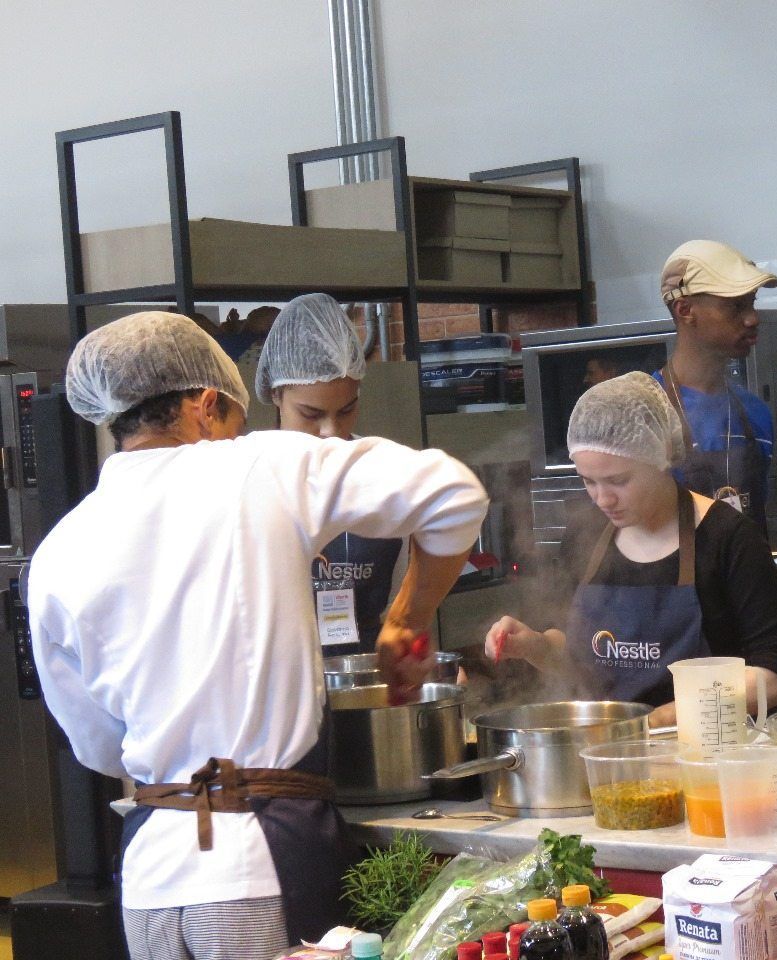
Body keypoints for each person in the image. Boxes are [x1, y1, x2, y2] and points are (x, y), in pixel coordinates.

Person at [28, 312, 488, 959]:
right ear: (207, 405)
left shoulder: (58, 551)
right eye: (237, 421)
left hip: (150, 880)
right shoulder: (260, 466)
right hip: (256, 869)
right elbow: (453, 494)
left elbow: (98, 746)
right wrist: (405, 619)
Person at [483, 372, 777, 727]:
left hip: (706, 754)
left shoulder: (728, 537)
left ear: (661, 457)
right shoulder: (584, 536)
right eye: (589, 481)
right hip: (608, 755)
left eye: (619, 481)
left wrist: (669, 716)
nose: (603, 499)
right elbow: (578, 659)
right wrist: (534, 646)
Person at [256, 292, 405, 653]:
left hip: (365, 672)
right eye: (311, 414)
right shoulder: (248, 479)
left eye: (346, 410)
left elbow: (403, 593)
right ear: (276, 395)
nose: (330, 431)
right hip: (280, 678)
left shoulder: (382, 472)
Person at [654, 239, 777, 531]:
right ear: (685, 310)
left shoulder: (755, 413)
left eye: (752, 303)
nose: (752, 318)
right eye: (735, 306)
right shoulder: (643, 414)